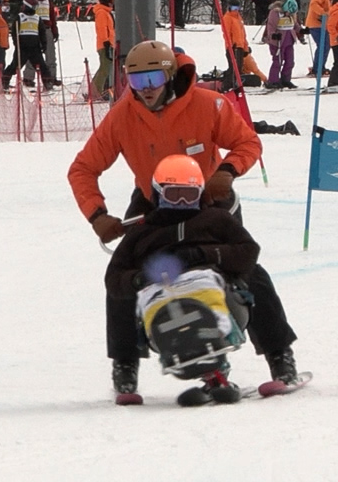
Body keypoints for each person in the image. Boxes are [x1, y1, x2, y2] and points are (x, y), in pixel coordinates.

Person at [68, 39, 302, 401]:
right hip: (152, 203)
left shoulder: (208, 104)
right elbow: (83, 169)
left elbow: (248, 143)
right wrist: (97, 215)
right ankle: (126, 366)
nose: (145, 91)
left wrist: (226, 172)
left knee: (249, 273)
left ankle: (279, 357)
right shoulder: (122, 116)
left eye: (153, 80)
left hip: (206, 200)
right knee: (122, 277)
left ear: (170, 75)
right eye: (136, 82)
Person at [103, 154, 264, 406]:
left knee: (257, 278)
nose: (179, 202)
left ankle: (269, 357)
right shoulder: (143, 233)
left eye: (187, 196)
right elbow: (114, 277)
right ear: (158, 195)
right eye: (172, 194)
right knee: (122, 299)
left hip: (216, 294)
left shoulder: (215, 220)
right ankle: (126, 365)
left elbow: (249, 251)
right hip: (162, 296)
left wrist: (205, 254)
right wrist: (139, 279)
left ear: (199, 194)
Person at [15, 0, 57, 89]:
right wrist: (16, 43)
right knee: (17, 64)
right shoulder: (22, 15)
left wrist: (53, 31)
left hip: (36, 42)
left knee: (45, 62)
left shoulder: (46, 3)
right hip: (24, 43)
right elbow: (15, 31)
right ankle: (25, 78)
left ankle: (49, 81)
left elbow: (52, 17)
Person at [220, 3, 264, 87]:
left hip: (240, 47)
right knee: (234, 68)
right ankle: (226, 85)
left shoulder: (238, 18)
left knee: (238, 68)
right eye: (233, 7)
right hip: (233, 47)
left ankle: (235, 84)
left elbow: (243, 35)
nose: (236, 9)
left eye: (237, 7)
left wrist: (245, 48)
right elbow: (226, 34)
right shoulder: (227, 18)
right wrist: (230, 46)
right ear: (229, 7)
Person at [265, 0, 298, 89]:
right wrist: (273, 35)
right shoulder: (275, 13)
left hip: (289, 40)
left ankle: (285, 79)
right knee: (278, 61)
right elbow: (270, 26)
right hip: (278, 42)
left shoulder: (291, 15)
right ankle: (273, 80)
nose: (289, 14)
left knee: (290, 61)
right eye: (288, 12)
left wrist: (302, 31)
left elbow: (294, 25)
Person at [304, 0, 333, 77]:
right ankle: (317, 68)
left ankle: (319, 66)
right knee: (323, 45)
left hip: (320, 24)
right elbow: (314, 4)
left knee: (324, 45)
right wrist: (323, 13)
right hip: (316, 24)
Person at [91, 0, 117, 100]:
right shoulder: (102, 12)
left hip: (109, 44)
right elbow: (102, 29)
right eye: (111, 1)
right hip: (105, 45)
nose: (113, 3)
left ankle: (95, 91)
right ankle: (96, 93)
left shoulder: (106, 12)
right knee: (105, 68)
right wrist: (106, 43)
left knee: (105, 68)